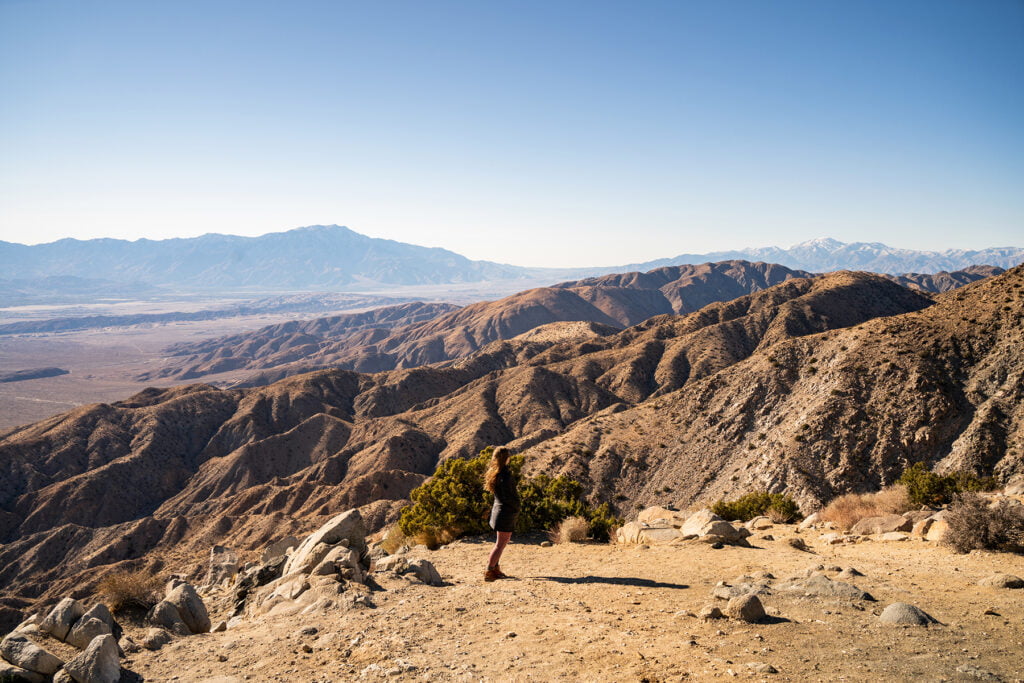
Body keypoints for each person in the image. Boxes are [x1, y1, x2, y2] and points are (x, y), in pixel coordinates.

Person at [483, 446, 519, 581]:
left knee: (501, 542)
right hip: (505, 512)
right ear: (507, 458)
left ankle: (495, 569)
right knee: (501, 543)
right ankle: (490, 570)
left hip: (498, 511)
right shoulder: (505, 475)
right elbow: (508, 496)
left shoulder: (495, 473)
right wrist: (516, 506)